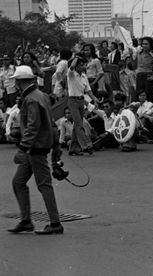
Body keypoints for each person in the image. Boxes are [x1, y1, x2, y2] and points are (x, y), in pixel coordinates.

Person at [8, 65, 63, 235]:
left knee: (43, 185)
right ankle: (26, 221)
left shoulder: (31, 99)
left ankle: (55, 223)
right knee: (19, 182)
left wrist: (22, 149)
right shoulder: (41, 96)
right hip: (40, 145)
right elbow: (50, 122)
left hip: (35, 147)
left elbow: (33, 127)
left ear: (18, 82)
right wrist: (55, 147)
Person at [66, 54, 96, 156]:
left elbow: (88, 90)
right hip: (73, 101)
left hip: (81, 100)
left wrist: (95, 99)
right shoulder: (71, 74)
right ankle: (87, 145)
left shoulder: (84, 76)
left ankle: (73, 149)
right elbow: (72, 67)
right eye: (82, 65)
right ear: (77, 66)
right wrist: (76, 57)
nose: (84, 67)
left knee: (76, 125)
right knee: (79, 123)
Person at [135, 37, 153, 102]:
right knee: (138, 94)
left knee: (148, 95)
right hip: (139, 75)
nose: (144, 46)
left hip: (148, 75)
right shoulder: (138, 53)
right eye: (143, 44)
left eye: (146, 44)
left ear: (150, 45)